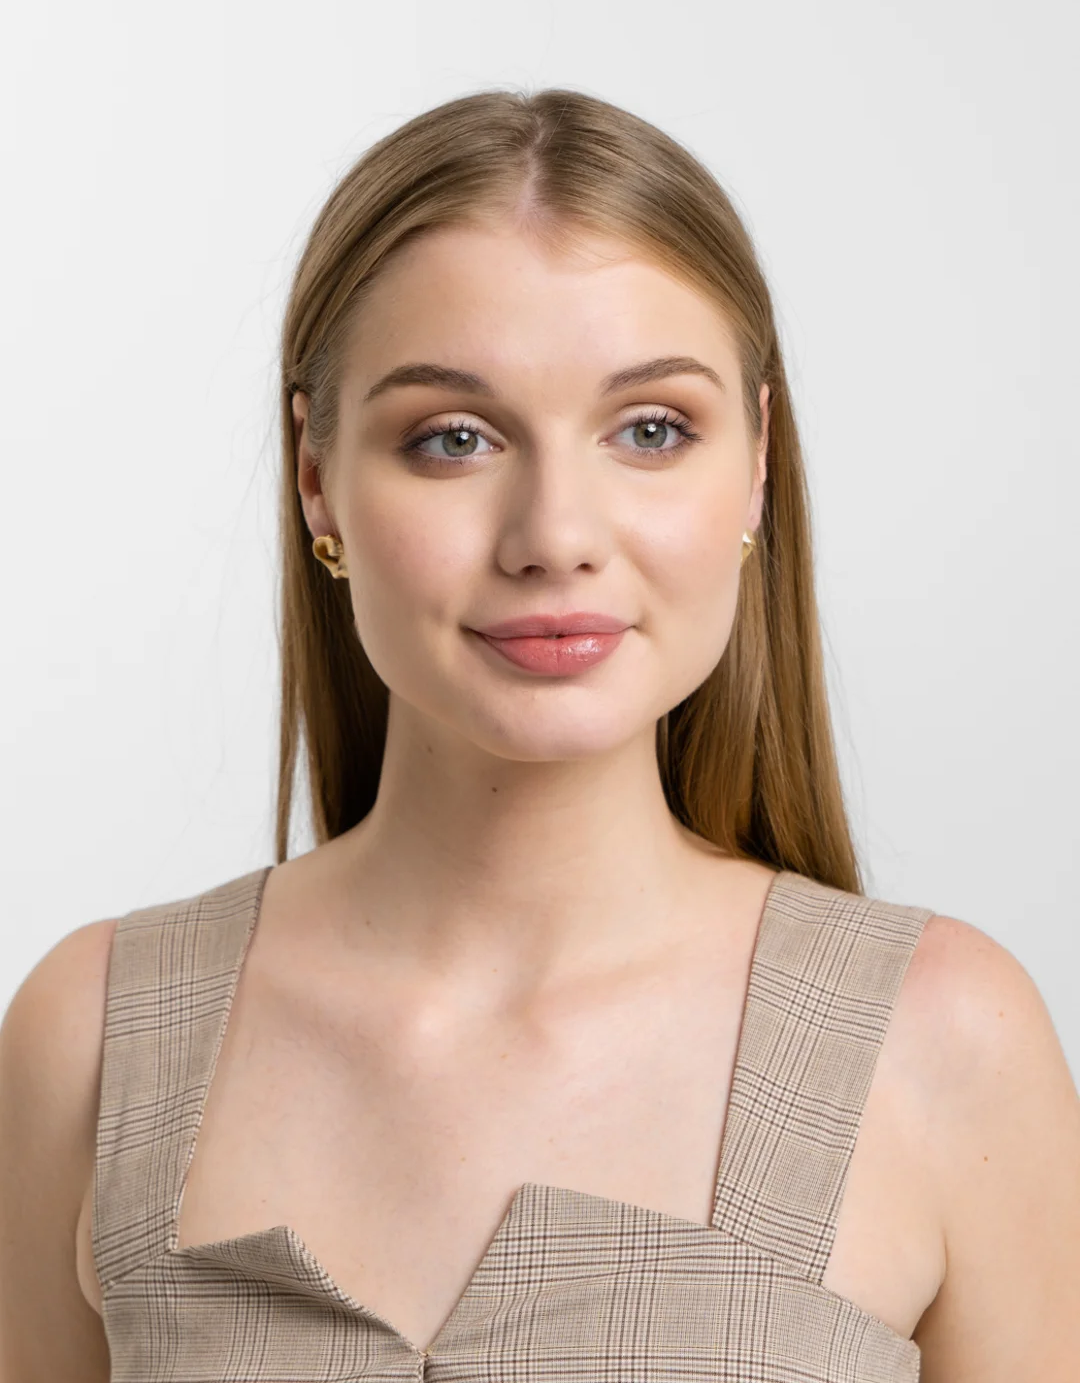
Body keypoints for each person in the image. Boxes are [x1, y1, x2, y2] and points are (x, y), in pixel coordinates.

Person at [2, 88, 1078, 1383]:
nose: (555, 534)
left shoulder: (944, 1042)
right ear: (316, 478)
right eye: (453, 439)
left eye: (651, 430)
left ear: (755, 465)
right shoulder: (93, 1038)